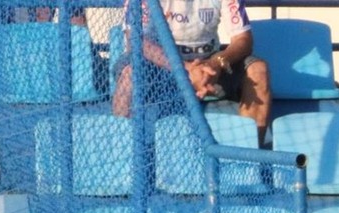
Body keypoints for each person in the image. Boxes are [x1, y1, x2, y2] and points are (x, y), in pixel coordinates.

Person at [112, 0, 271, 139]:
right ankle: (121, 153)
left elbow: (243, 40)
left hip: (207, 68)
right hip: (158, 65)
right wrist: (184, 69)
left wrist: (214, 64)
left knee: (258, 71)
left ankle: (251, 160)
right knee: (129, 74)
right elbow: (136, 40)